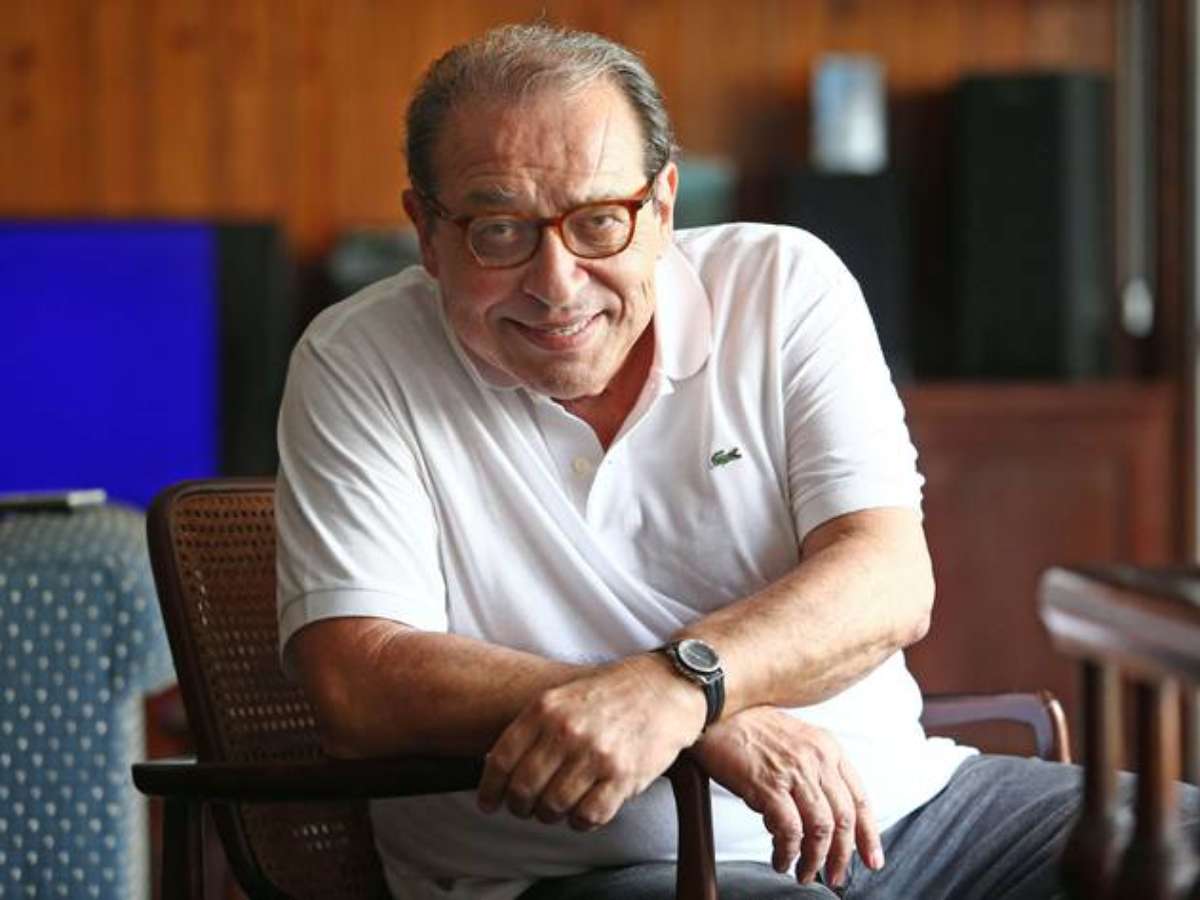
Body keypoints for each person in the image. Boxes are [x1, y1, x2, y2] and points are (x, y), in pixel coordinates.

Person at [274, 23, 1195, 900]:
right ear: (426, 232)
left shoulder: (784, 286)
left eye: (599, 222)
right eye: (499, 230)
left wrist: (683, 687)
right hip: (597, 869)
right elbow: (358, 677)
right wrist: (687, 718)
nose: (556, 284)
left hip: (916, 813)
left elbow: (886, 580)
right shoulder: (359, 359)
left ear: (663, 205)